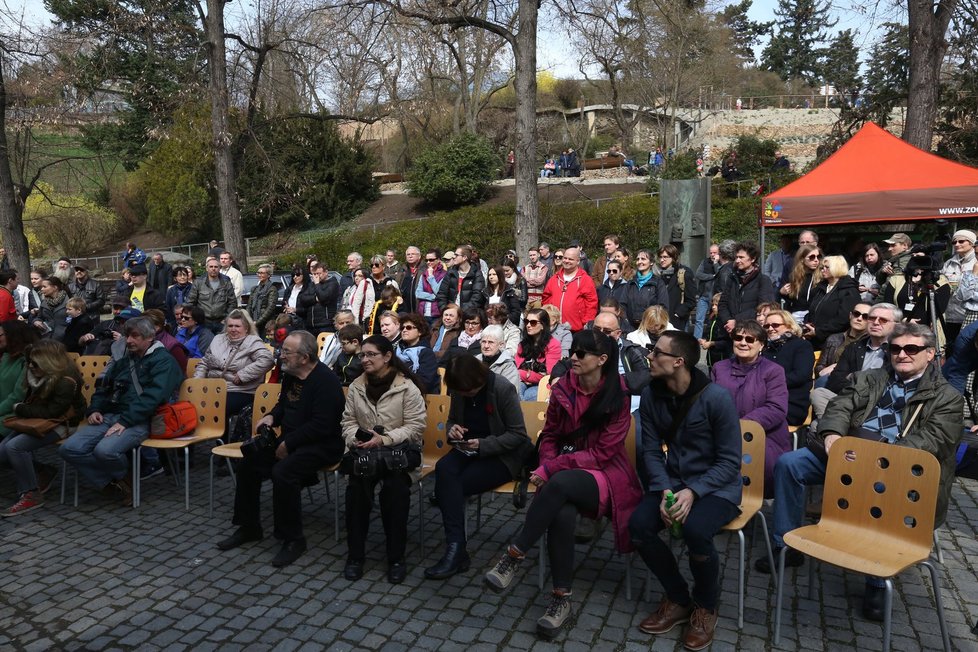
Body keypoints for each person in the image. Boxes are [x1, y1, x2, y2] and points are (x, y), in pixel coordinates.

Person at [758, 324, 963, 622]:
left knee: (879, 488)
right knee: (790, 464)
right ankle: (784, 545)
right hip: (848, 454)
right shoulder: (870, 378)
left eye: (911, 349)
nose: (902, 354)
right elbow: (840, 406)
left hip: (898, 469)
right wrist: (833, 436)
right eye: (895, 349)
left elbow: (933, 441)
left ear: (930, 354)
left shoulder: (947, 397)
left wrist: (877, 459)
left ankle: (877, 580)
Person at [484, 330, 642, 639]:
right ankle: (560, 599)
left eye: (582, 354)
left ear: (602, 360)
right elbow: (551, 435)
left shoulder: (618, 396)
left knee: (562, 482)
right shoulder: (562, 390)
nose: (574, 358)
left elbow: (603, 453)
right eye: (573, 351)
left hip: (606, 474)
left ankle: (514, 555)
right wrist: (546, 464)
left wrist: (551, 468)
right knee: (562, 512)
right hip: (565, 471)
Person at [629, 331, 742, 650]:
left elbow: (730, 462)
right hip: (674, 482)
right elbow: (651, 451)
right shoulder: (652, 394)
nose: (649, 356)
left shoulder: (716, 398)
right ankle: (678, 598)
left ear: (678, 362)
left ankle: (706, 606)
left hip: (718, 488)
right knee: (639, 526)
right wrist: (665, 491)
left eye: (656, 352)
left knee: (695, 530)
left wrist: (693, 491)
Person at [217, 330, 346, 567]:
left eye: (287, 351)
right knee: (249, 463)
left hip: (322, 445)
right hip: (291, 440)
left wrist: (289, 443)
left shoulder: (325, 382)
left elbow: (322, 425)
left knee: (283, 472)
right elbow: (283, 405)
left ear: (304, 357)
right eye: (282, 349)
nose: (281, 355)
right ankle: (249, 527)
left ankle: (293, 539)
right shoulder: (291, 375)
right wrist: (271, 418)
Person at [426, 354, 531, 579]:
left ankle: (456, 551)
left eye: (469, 392)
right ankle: (457, 549)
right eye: (461, 392)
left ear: (478, 380)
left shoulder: (502, 389)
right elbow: (453, 419)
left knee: (451, 486)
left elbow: (518, 435)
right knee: (444, 469)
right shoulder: (460, 388)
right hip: (467, 447)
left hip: (501, 454)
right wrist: (452, 430)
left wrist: (483, 444)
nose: (465, 396)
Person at [59, 316, 184, 505]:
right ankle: (114, 481)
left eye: (135, 336)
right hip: (109, 416)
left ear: (150, 337)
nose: (129, 341)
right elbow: (104, 387)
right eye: (127, 336)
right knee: (69, 448)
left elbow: (153, 398)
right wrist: (95, 409)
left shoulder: (164, 361)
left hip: (141, 420)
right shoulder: (126, 361)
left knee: (105, 451)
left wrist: (125, 421)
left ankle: (123, 480)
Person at [341, 335, 427, 584]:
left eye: (370, 355)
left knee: (395, 493)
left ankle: (396, 558)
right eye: (362, 355)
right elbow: (347, 421)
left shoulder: (406, 387)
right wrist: (353, 439)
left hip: (396, 455)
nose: (365, 359)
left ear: (387, 356)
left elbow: (416, 427)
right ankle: (355, 556)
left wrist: (384, 439)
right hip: (364, 453)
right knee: (356, 492)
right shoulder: (357, 385)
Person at [0, 340, 86, 516]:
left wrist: (19, 408)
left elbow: (52, 412)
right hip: (37, 419)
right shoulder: (40, 375)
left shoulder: (66, 381)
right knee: (2, 451)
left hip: (63, 423)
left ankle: (31, 493)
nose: (30, 366)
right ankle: (43, 471)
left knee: (14, 447)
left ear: (48, 361)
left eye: (34, 362)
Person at [711, 320, 790, 491]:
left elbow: (776, 408)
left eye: (750, 339)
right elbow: (710, 403)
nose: (743, 343)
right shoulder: (719, 368)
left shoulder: (773, 371)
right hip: (721, 435)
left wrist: (741, 427)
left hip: (762, 436)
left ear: (761, 345)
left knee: (745, 464)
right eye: (738, 338)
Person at [810, 303, 901, 419]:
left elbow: (888, 386)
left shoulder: (898, 351)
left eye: (883, 320)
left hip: (875, 405)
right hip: (847, 400)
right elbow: (835, 381)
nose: (876, 322)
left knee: (816, 426)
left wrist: (853, 378)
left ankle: (833, 427)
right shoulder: (854, 347)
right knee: (818, 393)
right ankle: (837, 426)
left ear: (896, 325)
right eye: (872, 318)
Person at [194, 309, 275, 425]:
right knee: (192, 404)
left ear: (246, 328)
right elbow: (205, 362)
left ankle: (220, 438)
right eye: (230, 325)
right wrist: (197, 383)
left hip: (239, 390)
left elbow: (268, 360)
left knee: (217, 406)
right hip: (213, 387)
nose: (233, 329)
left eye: (237, 326)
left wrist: (243, 375)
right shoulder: (218, 339)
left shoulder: (252, 342)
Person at [759, 310, 815, 426]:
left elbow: (801, 375)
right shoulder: (765, 349)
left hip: (790, 403)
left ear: (789, 326)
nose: (770, 329)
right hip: (762, 400)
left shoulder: (802, 346)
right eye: (766, 326)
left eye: (775, 325)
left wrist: (767, 383)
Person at [717, 242, 776, 338]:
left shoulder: (763, 280)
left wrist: (737, 321)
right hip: (729, 331)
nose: (737, 260)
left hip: (751, 331)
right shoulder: (732, 279)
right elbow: (723, 303)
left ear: (752, 259)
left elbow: (764, 308)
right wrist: (728, 321)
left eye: (741, 257)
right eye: (736, 257)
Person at [803, 255, 860, 350]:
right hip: (814, 339)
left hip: (834, 342)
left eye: (827, 267)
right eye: (822, 267)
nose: (822, 270)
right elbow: (812, 310)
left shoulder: (848, 291)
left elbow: (843, 319)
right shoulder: (820, 288)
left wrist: (819, 331)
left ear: (837, 268)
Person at [542, 246, 598, 333]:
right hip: (554, 328)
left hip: (576, 329)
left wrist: (586, 322)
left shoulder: (585, 280)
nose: (566, 261)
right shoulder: (554, 279)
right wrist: (548, 316)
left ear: (578, 261)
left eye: (571, 259)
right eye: (565, 258)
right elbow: (546, 298)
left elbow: (592, 303)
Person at [0, 321, 39, 440]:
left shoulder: (28, 361)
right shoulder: (7, 357)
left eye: (0, 335)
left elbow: (18, 396)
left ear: (13, 336)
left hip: (15, 414)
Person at [815, 302, 872, 381]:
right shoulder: (833, 339)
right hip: (828, 380)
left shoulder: (871, 343)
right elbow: (820, 366)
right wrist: (824, 371)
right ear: (850, 315)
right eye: (856, 314)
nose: (859, 319)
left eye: (865, 317)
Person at [515, 308, 561, 401]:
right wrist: (526, 375)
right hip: (522, 381)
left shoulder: (553, 345)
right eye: (526, 321)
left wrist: (526, 375)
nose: (528, 325)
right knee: (514, 390)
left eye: (533, 322)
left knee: (529, 396)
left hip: (542, 384)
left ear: (543, 325)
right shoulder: (523, 344)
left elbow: (548, 374)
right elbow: (516, 368)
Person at [942, 230, 977, 348]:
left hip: (969, 317)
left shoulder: (976, 263)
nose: (957, 244)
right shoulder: (949, 263)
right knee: (949, 350)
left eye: (961, 241)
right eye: (954, 242)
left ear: (972, 243)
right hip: (950, 317)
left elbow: (967, 294)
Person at [187, 258, 237, 333]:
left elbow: (232, 303)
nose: (213, 269)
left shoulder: (226, 283)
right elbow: (191, 302)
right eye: (211, 267)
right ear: (207, 268)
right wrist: (196, 319)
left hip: (222, 322)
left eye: (216, 267)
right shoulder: (198, 283)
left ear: (219, 268)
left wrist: (227, 318)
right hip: (203, 322)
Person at [395, 313, 439, 394]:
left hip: (416, 395)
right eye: (402, 328)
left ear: (420, 332)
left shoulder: (426, 353)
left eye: (409, 327)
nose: (404, 330)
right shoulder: (395, 351)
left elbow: (425, 382)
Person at [622, 249, 666, 329]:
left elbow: (662, 306)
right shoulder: (630, 283)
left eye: (643, 259)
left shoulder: (658, 283)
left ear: (651, 262)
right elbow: (622, 305)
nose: (639, 262)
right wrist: (626, 322)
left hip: (651, 327)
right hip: (631, 327)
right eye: (638, 259)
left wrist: (654, 324)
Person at [351, 255, 399, 326]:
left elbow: (398, 302)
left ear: (383, 266)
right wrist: (356, 323)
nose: (373, 267)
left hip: (388, 321)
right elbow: (356, 304)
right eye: (372, 265)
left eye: (376, 265)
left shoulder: (392, 283)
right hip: (369, 321)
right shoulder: (365, 283)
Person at [656, 245, 695, 330]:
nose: (662, 260)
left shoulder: (684, 273)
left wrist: (678, 314)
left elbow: (691, 300)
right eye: (660, 257)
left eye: (665, 257)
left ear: (673, 257)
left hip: (677, 322)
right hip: (660, 320)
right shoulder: (658, 274)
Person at [436, 245, 486, 312]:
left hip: (468, 316)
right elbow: (441, 295)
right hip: (450, 315)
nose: (454, 257)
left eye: (456, 255)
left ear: (464, 257)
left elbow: (477, 298)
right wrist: (445, 311)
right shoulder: (450, 273)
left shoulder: (477, 274)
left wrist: (460, 312)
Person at [779, 244, 821, 323]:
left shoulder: (821, 276)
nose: (816, 260)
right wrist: (782, 292)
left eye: (818, 257)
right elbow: (786, 297)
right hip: (795, 316)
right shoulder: (794, 275)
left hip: (812, 317)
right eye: (812, 257)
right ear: (802, 259)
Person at [298, 262, 339, 336]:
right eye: (314, 274)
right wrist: (315, 299)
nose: (316, 276)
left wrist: (317, 284)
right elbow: (302, 299)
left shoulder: (333, 283)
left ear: (326, 272)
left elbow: (323, 298)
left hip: (326, 324)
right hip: (311, 324)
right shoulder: (311, 285)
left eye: (319, 273)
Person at [476, 324, 519, 388]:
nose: (486, 346)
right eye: (484, 342)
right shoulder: (475, 361)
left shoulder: (508, 366)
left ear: (501, 345)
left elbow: (510, 392)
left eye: (491, 342)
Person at [692, 244, 721, 339]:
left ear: (719, 253)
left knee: (714, 318)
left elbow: (719, 274)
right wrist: (711, 277)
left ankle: (711, 338)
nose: (712, 255)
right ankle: (696, 340)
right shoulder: (705, 262)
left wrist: (716, 263)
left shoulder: (721, 263)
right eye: (711, 252)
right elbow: (698, 274)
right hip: (703, 295)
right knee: (699, 320)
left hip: (715, 296)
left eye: (715, 252)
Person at [878, 232, 914, 300]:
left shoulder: (906, 260)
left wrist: (879, 301)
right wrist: (883, 271)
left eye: (893, 245)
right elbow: (879, 280)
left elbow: (890, 284)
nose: (889, 249)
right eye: (889, 246)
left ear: (904, 246)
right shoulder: (894, 259)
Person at [32, 276, 69, 341]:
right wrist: (36, 321)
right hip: (47, 337)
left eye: (44, 287)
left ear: (55, 287)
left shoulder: (69, 301)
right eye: (41, 287)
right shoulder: (44, 302)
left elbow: (75, 320)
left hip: (65, 338)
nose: (42, 289)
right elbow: (39, 317)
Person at [247, 264, 280, 336]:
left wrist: (257, 322)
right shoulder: (254, 289)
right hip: (253, 321)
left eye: (262, 273)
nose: (259, 275)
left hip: (266, 323)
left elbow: (270, 309)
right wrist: (249, 320)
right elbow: (249, 305)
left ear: (268, 275)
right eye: (258, 273)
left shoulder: (272, 289)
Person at [415, 249, 446, 325]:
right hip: (423, 313)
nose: (428, 262)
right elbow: (418, 293)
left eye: (431, 260)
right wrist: (433, 296)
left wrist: (431, 276)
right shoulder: (424, 274)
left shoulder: (444, 274)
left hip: (437, 314)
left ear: (438, 260)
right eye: (426, 260)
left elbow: (438, 292)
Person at [399, 246, 423, 313]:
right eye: (408, 254)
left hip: (419, 306)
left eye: (413, 254)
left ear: (419, 256)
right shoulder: (402, 270)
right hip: (404, 307)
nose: (410, 256)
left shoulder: (424, 269)